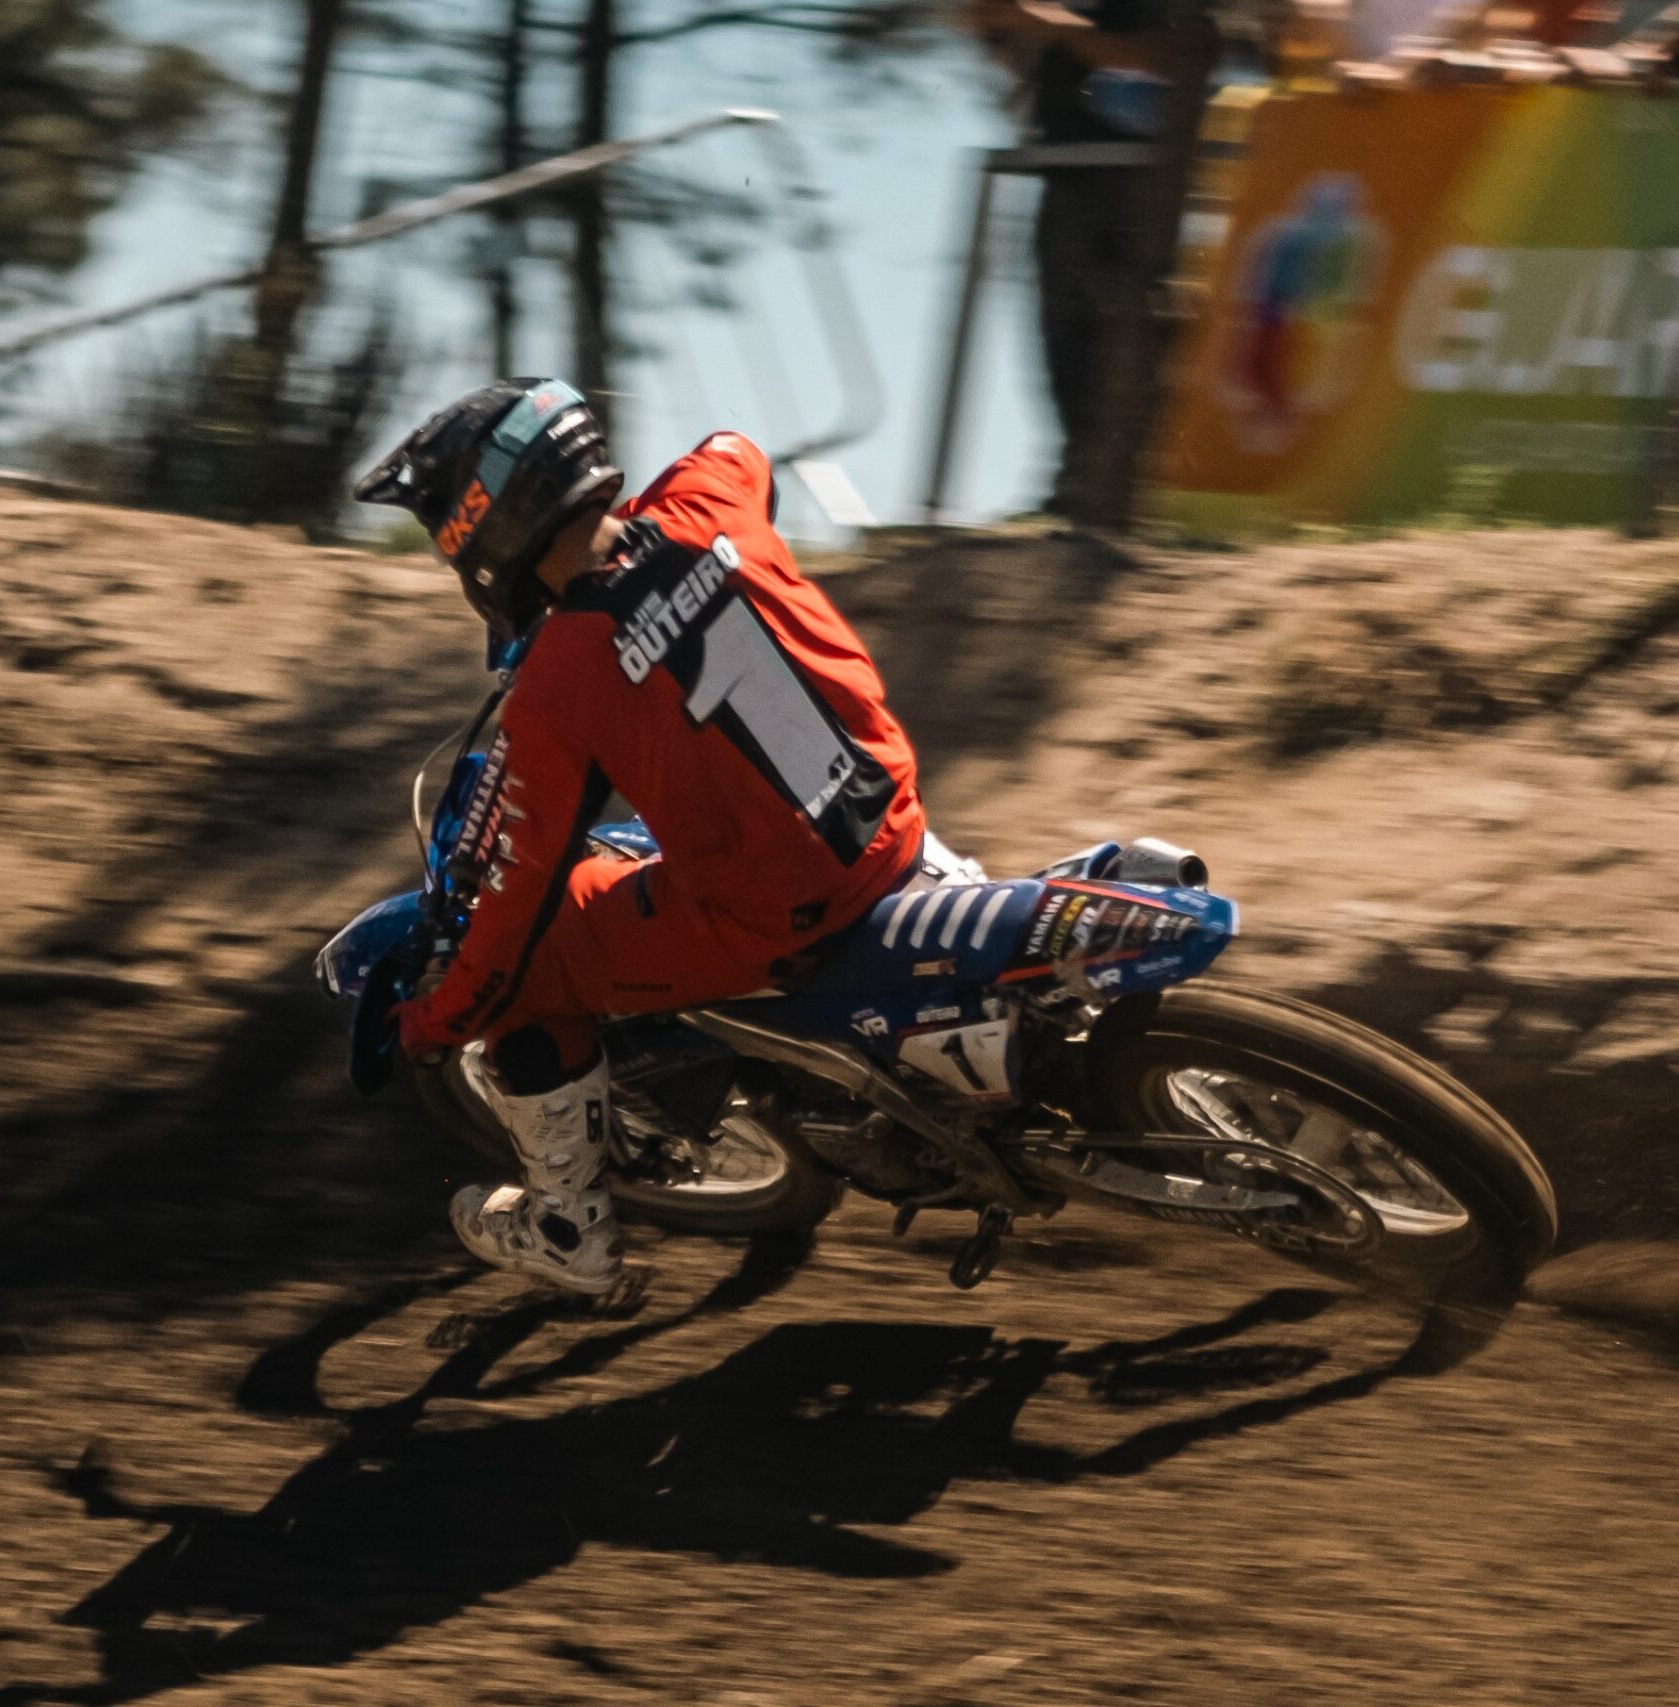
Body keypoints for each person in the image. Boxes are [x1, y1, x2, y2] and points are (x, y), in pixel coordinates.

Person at [353, 379, 933, 1294]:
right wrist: (677, 551)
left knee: (533, 969)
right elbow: (740, 446)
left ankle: (566, 1228)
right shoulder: (710, 499)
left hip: (782, 911)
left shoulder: (561, 676)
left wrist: (437, 1018)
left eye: (444, 529)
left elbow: (514, 904)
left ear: (484, 526)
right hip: (890, 822)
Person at [962, 0, 1221, 527]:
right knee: (1062, 341)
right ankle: (1075, 487)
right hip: (1066, 173)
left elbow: (1157, 58)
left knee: (1126, 337)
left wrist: (1047, 23)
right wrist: (998, 30)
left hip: (1135, 181)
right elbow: (1045, 69)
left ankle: (1125, 493)